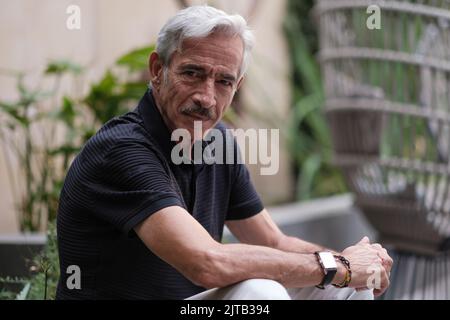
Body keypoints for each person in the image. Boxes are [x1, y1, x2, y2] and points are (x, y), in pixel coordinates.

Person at [56, 5, 392, 300]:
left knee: (346, 284)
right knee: (261, 294)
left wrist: (354, 265)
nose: (207, 97)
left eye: (223, 82)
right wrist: (339, 266)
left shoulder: (217, 142)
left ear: (237, 86)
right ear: (158, 70)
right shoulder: (122, 150)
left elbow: (274, 243)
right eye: (192, 73)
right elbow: (206, 262)